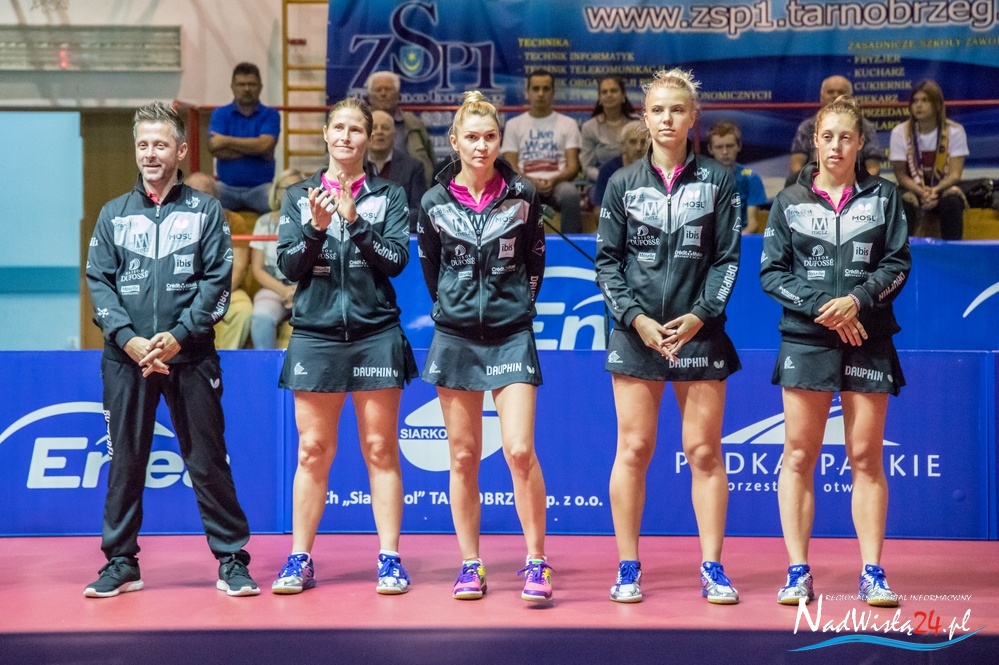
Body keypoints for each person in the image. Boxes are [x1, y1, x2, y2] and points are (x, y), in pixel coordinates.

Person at [84, 101, 259, 598]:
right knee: (125, 462)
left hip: (191, 356)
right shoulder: (113, 214)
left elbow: (218, 283)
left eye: (160, 145)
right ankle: (121, 562)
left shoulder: (206, 211)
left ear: (181, 151)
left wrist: (179, 335)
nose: (150, 154)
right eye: (143, 145)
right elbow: (99, 283)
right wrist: (129, 339)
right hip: (128, 360)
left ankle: (231, 560)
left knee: (208, 462)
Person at [595, 68, 742, 605]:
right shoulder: (621, 184)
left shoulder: (719, 182)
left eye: (677, 110)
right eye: (658, 110)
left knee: (703, 450)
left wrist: (700, 315)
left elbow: (727, 260)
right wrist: (637, 319)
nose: (667, 119)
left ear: (692, 117)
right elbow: (607, 265)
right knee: (634, 448)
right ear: (645, 116)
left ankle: (713, 567)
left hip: (698, 333)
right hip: (637, 333)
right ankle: (628, 566)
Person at [760, 95, 911, 608]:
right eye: (827, 137)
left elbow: (897, 264)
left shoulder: (885, 197)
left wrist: (857, 302)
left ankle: (872, 573)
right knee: (799, 455)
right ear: (815, 142)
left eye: (846, 137)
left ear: (861, 142)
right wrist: (825, 307)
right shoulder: (789, 201)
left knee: (865, 457)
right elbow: (771, 273)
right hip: (807, 338)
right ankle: (797, 572)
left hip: (868, 335)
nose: (836, 146)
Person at [272, 97, 417, 596]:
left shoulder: (390, 195)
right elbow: (288, 267)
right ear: (326, 134)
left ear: (369, 138)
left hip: (375, 333)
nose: (346, 137)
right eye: (339, 128)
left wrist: (355, 222)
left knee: (380, 448)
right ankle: (300, 558)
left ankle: (390, 558)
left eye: (356, 130)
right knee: (313, 450)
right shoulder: (298, 195)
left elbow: (395, 261)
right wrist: (315, 229)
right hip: (315, 334)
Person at [418, 91, 552, 602]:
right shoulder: (433, 202)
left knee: (519, 450)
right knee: (463, 456)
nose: (481, 146)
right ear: (454, 141)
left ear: (500, 140)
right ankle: (471, 564)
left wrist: (517, 306)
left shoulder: (524, 195)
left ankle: (536, 561)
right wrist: (454, 308)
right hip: (455, 338)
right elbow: (432, 270)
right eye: (471, 137)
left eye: (490, 137)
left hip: (511, 334)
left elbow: (535, 262)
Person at [502, 69, 583, 234]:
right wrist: (531, 181)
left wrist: (553, 180)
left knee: (570, 194)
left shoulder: (568, 124)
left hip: (558, 184)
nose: (540, 94)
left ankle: (570, 246)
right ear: (527, 93)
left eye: (546, 89)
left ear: (553, 93)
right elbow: (511, 167)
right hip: (525, 183)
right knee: (512, 193)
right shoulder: (514, 125)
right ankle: (514, 246)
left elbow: (573, 167)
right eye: (536, 89)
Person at [890, 80, 968, 240]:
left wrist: (935, 190)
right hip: (912, 188)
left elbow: (955, 174)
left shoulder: (955, 131)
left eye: (925, 100)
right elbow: (901, 176)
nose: (918, 105)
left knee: (952, 202)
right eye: (915, 101)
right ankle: (902, 252)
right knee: (902, 203)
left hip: (942, 187)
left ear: (937, 105)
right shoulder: (899, 132)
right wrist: (921, 192)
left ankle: (952, 251)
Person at [184, 171, 253, 349]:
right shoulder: (175, 220)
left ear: (216, 197)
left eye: (204, 194)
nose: (197, 200)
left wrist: (212, 296)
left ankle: (224, 360)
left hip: (224, 289)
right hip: (185, 290)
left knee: (243, 310)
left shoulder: (233, 220)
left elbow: (239, 267)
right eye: (192, 194)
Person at [209, 62, 281, 214]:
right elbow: (214, 147)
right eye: (241, 84)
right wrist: (256, 151)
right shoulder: (220, 114)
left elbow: (265, 146)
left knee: (285, 204)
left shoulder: (271, 115)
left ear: (260, 87)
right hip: (225, 188)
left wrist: (226, 140)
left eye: (252, 84)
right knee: (199, 201)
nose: (247, 89)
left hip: (261, 189)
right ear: (232, 87)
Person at [788, 75, 881, 184]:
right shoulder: (807, 127)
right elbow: (796, 166)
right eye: (830, 92)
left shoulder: (865, 127)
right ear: (821, 97)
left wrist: (862, 188)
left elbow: (873, 168)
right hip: (812, 185)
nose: (835, 96)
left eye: (841, 92)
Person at [249, 168, 305, 349]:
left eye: (296, 188)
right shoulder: (263, 222)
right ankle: (266, 365)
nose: (290, 193)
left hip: (307, 288)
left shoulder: (315, 220)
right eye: (285, 188)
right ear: (277, 193)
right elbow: (257, 269)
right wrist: (283, 291)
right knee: (261, 318)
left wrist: (297, 291)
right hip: (274, 287)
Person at [366, 70, 436, 188]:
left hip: (411, 188)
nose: (383, 94)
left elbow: (430, 158)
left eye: (388, 89)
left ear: (398, 94)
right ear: (370, 97)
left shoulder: (414, 123)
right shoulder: (360, 123)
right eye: (378, 90)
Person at [365, 109, 427, 231]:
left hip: (399, 235)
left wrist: (385, 221)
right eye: (374, 128)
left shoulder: (413, 167)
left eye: (385, 128)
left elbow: (419, 211)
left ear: (394, 134)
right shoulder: (352, 165)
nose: (379, 132)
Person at [706, 121, 768, 234]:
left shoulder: (751, 178)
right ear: (710, 149)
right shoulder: (699, 179)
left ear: (739, 146)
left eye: (729, 146)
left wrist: (733, 241)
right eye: (719, 147)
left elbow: (752, 225)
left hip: (741, 237)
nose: (725, 152)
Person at [580, 76, 639, 187]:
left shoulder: (638, 123)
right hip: (602, 183)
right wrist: (608, 179)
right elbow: (587, 167)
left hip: (635, 181)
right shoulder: (589, 127)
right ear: (600, 98)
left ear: (623, 95)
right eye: (604, 92)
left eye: (614, 91)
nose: (609, 95)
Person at [591, 119, 648, 209]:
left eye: (643, 142)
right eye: (633, 142)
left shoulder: (659, 170)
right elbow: (600, 210)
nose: (638, 148)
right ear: (623, 146)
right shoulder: (608, 171)